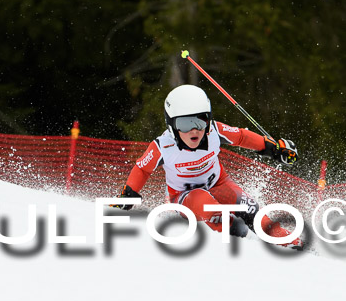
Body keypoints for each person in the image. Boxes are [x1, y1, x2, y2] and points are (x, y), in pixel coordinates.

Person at [113, 84, 303, 250]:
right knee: (209, 206)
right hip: (184, 196)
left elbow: (242, 137)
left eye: (200, 120)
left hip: (218, 183)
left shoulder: (214, 131)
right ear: (171, 125)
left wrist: (273, 149)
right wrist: (128, 194)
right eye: (185, 123)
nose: (194, 130)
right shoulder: (163, 146)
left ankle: (282, 238)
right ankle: (236, 237)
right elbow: (142, 168)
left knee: (249, 207)